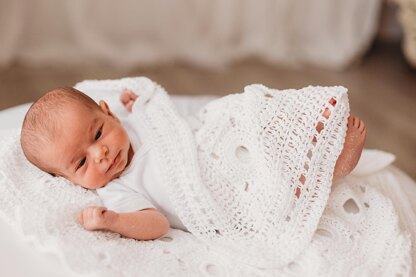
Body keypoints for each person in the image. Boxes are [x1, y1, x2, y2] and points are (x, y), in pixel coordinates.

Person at [19, 84, 366, 241]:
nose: (101, 154)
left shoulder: (133, 120)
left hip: (218, 138)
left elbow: (161, 112)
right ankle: (330, 169)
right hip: (214, 189)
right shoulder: (118, 191)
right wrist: (115, 221)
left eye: (97, 135)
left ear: (108, 113)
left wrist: (139, 103)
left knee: (242, 110)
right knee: (266, 194)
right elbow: (155, 224)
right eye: (81, 163)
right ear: (69, 180)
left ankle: (305, 125)